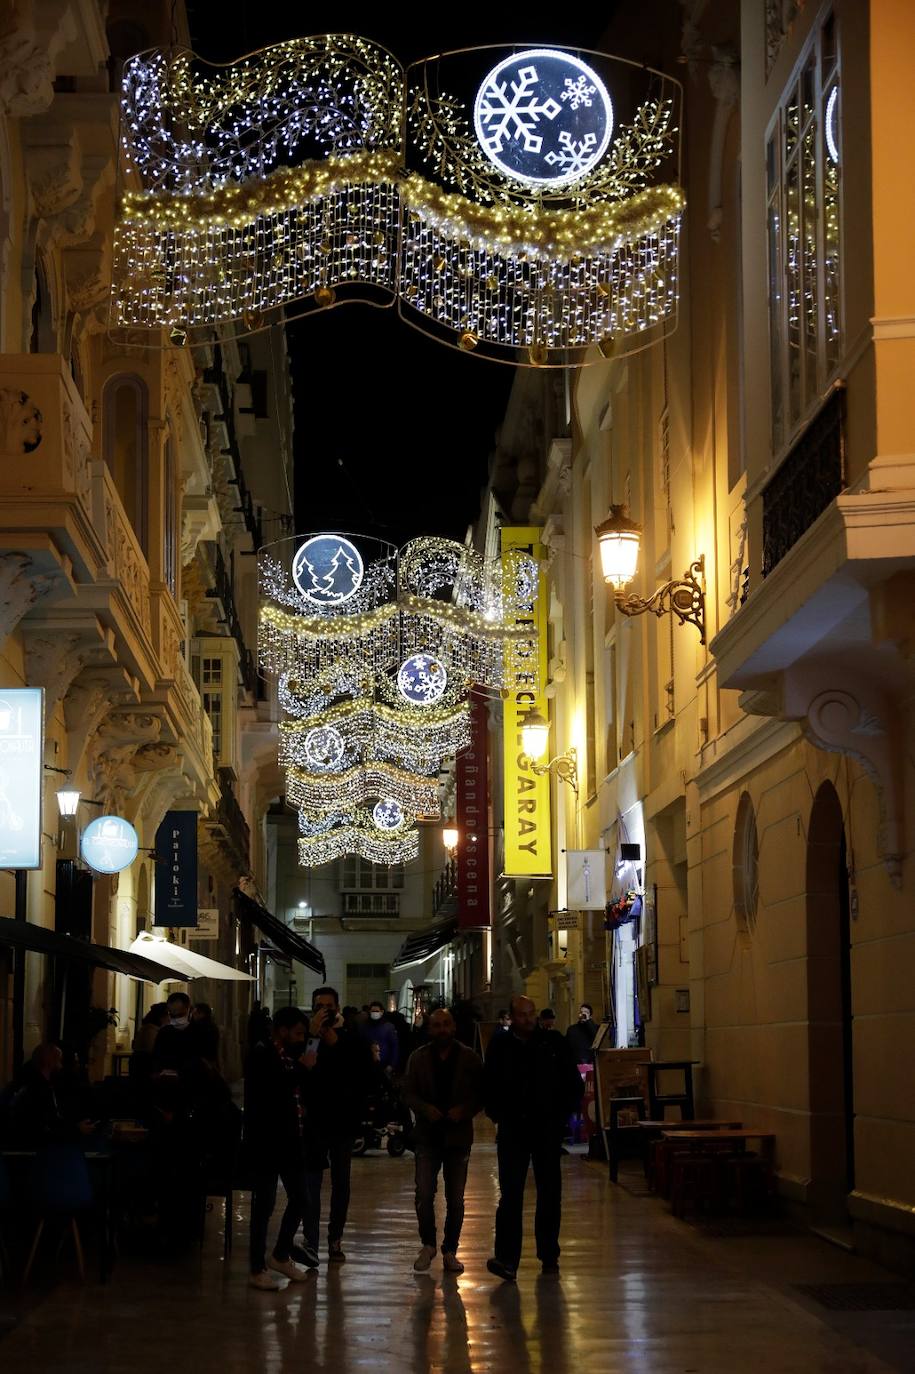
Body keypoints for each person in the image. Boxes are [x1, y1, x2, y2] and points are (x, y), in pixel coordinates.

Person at [483, 995, 584, 1282]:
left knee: (549, 1192)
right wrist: (497, 1113)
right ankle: (507, 1259)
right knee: (510, 1194)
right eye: (522, 1014)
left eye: (531, 1013)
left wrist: (560, 1116)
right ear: (512, 1017)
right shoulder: (501, 1045)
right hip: (513, 1128)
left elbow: (572, 1082)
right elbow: (489, 1081)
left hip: (546, 1128)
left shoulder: (553, 1043)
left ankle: (549, 1254)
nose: (528, 1019)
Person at [402, 1008, 484, 1275]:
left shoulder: (469, 1058)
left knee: (456, 1199)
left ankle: (450, 1250)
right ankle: (428, 1244)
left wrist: (465, 1110)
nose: (442, 1030)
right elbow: (408, 1092)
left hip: (458, 1138)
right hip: (428, 1136)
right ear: (430, 1029)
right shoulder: (418, 1058)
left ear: (454, 1027)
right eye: (437, 1025)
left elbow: (481, 1094)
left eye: (446, 1024)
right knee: (424, 1193)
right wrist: (425, 1109)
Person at [300, 986, 374, 1265]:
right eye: (319, 1006)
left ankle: (335, 1238)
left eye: (328, 1006)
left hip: (343, 1120)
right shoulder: (307, 1036)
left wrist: (334, 1042)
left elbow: (362, 1073)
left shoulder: (352, 1037)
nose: (324, 1011)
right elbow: (303, 1069)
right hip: (315, 1120)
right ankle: (311, 1240)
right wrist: (312, 1036)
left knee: (341, 1182)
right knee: (312, 1182)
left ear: (337, 1008)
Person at [244, 1006, 313, 1290]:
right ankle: (256, 1268)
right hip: (267, 1142)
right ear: (282, 1031)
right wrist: (303, 1068)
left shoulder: (290, 1056)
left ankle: (281, 1254)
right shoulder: (263, 1054)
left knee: (301, 1198)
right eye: (297, 1034)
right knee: (264, 1205)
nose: (301, 1039)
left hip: (291, 1140)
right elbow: (273, 1088)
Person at [361, 999, 399, 1072]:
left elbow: (394, 1046)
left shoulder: (389, 1027)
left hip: (384, 1065)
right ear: (369, 1012)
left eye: (377, 1011)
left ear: (382, 1012)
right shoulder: (364, 1026)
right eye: (373, 1011)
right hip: (367, 1064)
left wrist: (392, 1064)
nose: (374, 1013)